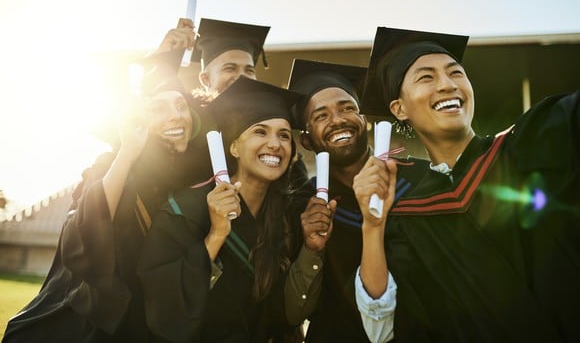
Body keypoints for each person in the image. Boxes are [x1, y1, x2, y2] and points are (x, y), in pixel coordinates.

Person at [357, 26, 580, 342]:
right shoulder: (409, 220)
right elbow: (384, 331)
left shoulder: (536, 139)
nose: (447, 85)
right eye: (426, 77)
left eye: (456, 73)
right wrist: (372, 225)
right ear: (399, 109)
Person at [3, 74, 203, 343]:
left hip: (151, 325)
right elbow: (85, 231)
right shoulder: (112, 167)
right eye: (159, 108)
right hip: (93, 325)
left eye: (181, 106)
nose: (177, 116)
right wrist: (129, 151)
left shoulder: (191, 182)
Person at [137, 76, 321, 342]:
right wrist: (216, 235)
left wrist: (312, 251)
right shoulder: (183, 210)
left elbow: (286, 315)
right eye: (260, 131)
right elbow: (165, 312)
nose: (274, 143)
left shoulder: (287, 217)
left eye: (283, 135)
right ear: (234, 146)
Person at [285, 59, 424, 342]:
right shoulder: (302, 205)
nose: (338, 119)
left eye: (348, 108)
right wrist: (311, 249)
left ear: (365, 121)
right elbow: (294, 309)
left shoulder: (420, 179)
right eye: (321, 115)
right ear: (307, 141)